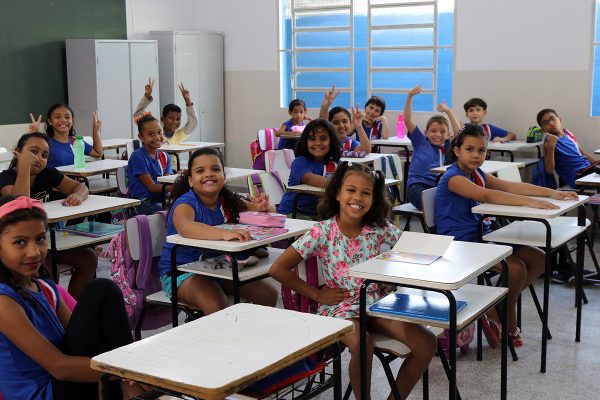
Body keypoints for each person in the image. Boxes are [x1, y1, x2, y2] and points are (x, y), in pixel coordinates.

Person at [270, 162, 435, 400]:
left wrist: (395, 271)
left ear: (373, 198)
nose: (357, 197)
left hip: (377, 303)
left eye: (365, 193)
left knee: (425, 342)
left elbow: (412, 250)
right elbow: (278, 269)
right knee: (362, 345)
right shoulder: (322, 231)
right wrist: (317, 295)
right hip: (340, 306)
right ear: (337, 194)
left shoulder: (379, 228)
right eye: (351, 190)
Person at [435, 124, 579, 347]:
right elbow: (487, 195)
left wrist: (553, 193)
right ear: (456, 151)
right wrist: (531, 202)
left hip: (484, 234)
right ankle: (507, 317)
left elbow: (511, 187)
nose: (476, 155)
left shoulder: (477, 174)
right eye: (470, 149)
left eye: (481, 151)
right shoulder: (453, 178)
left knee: (541, 258)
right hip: (461, 243)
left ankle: (496, 304)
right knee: (516, 268)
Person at [0, 195, 144, 400]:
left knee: (103, 289)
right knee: (99, 290)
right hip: (47, 392)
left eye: (40, 239)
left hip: (66, 384)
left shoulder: (44, 288)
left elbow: (83, 339)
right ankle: (130, 384)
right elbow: (59, 367)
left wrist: (127, 370)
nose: (33, 252)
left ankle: (130, 384)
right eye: (20, 242)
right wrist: (127, 371)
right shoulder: (3, 302)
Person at [157, 148, 278, 315]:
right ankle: (217, 340)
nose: (209, 174)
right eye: (200, 171)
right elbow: (185, 226)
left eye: (215, 169)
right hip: (181, 271)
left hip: (218, 267)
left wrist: (265, 205)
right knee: (217, 305)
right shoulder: (185, 203)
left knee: (268, 295)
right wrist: (224, 234)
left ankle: (250, 337)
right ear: (191, 181)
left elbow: (266, 212)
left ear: (224, 177)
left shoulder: (227, 199)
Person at [0, 133, 96, 299]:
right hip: (15, 245)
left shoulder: (47, 173)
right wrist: (24, 166)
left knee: (89, 258)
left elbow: (80, 187)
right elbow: (20, 204)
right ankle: (50, 308)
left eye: (44, 155)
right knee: (48, 265)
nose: (39, 158)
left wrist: (78, 196)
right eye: (33, 152)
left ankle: (73, 308)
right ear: (17, 152)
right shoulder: (5, 178)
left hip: (45, 239)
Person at [404, 85, 461, 209]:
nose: (437, 135)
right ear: (426, 132)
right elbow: (407, 120)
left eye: (442, 132)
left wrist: (449, 111)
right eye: (433, 131)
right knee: (439, 206)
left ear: (448, 135)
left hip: (438, 187)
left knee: (457, 201)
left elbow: (460, 136)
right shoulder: (421, 141)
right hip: (417, 186)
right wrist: (410, 96)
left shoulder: (447, 147)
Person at [277, 119, 342, 218]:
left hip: (318, 213)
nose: (317, 143)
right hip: (292, 213)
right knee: (321, 229)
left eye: (323, 138)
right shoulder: (300, 162)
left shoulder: (335, 164)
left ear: (331, 141)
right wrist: (343, 186)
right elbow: (309, 178)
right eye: (312, 138)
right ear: (305, 142)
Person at [537, 108, 599, 188]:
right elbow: (549, 170)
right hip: (577, 175)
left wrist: (597, 163)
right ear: (543, 130)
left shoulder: (567, 133)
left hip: (588, 168)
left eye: (552, 119)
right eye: (545, 123)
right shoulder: (549, 142)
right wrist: (551, 147)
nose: (551, 123)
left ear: (560, 119)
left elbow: (583, 154)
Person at [28, 104, 103, 168]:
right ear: (50, 121)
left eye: (67, 117)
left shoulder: (76, 141)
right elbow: (30, 160)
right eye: (57, 117)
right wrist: (34, 135)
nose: (63, 120)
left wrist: (95, 131)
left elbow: (98, 153)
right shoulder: (45, 143)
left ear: (72, 121)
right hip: (54, 184)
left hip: (76, 183)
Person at [127, 115, 174, 215]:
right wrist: (173, 187)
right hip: (143, 201)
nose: (157, 137)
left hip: (161, 198)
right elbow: (152, 187)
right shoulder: (138, 156)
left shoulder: (165, 156)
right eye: (151, 134)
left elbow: (166, 181)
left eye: (159, 132)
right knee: (172, 213)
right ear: (141, 137)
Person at [134, 78, 198, 145]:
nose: (174, 122)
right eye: (171, 118)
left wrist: (188, 101)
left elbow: (193, 122)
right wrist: (147, 96)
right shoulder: (156, 133)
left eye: (178, 119)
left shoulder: (179, 135)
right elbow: (138, 115)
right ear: (163, 119)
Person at [318, 85, 371, 153]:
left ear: (350, 122)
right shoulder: (325, 141)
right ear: (329, 124)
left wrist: (359, 126)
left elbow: (366, 150)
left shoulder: (351, 143)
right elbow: (322, 123)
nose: (341, 126)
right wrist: (325, 107)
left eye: (345, 121)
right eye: (336, 123)